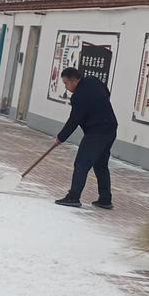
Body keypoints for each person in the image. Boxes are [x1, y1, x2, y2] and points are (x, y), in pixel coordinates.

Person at [54, 67, 118, 208]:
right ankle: (105, 199)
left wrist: (60, 137)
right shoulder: (93, 81)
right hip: (111, 128)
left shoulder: (78, 97)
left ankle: (73, 197)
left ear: (75, 81)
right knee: (101, 165)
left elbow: (74, 120)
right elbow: (106, 92)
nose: (66, 86)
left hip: (96, 132)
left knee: (81, 164)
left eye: (66, 83)